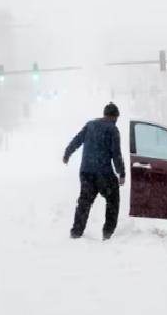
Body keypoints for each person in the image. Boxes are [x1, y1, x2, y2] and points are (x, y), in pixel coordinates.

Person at [63, 102, 125, 240]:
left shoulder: (90, 125)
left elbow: (77, 140)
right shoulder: (113, 130)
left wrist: (67, 153)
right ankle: (108, 233)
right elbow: (116, 154)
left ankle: (76, 232)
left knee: (84, 201)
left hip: (86, 172)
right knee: (113, 199)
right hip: (103, 173)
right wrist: (121, 173)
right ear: (115, 117)